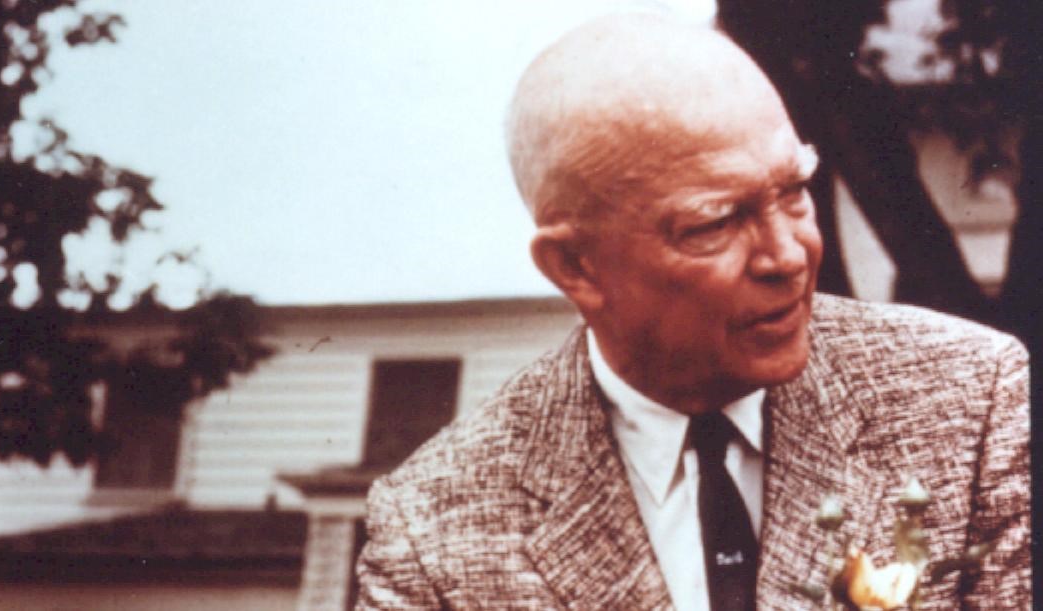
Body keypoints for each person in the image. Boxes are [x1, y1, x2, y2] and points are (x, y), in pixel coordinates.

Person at [355, 13, 1030, 610]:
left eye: (794, 189)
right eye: (713, 223)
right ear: (575, 266)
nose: (787, 255)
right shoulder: (434, 531)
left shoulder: (972, 401)